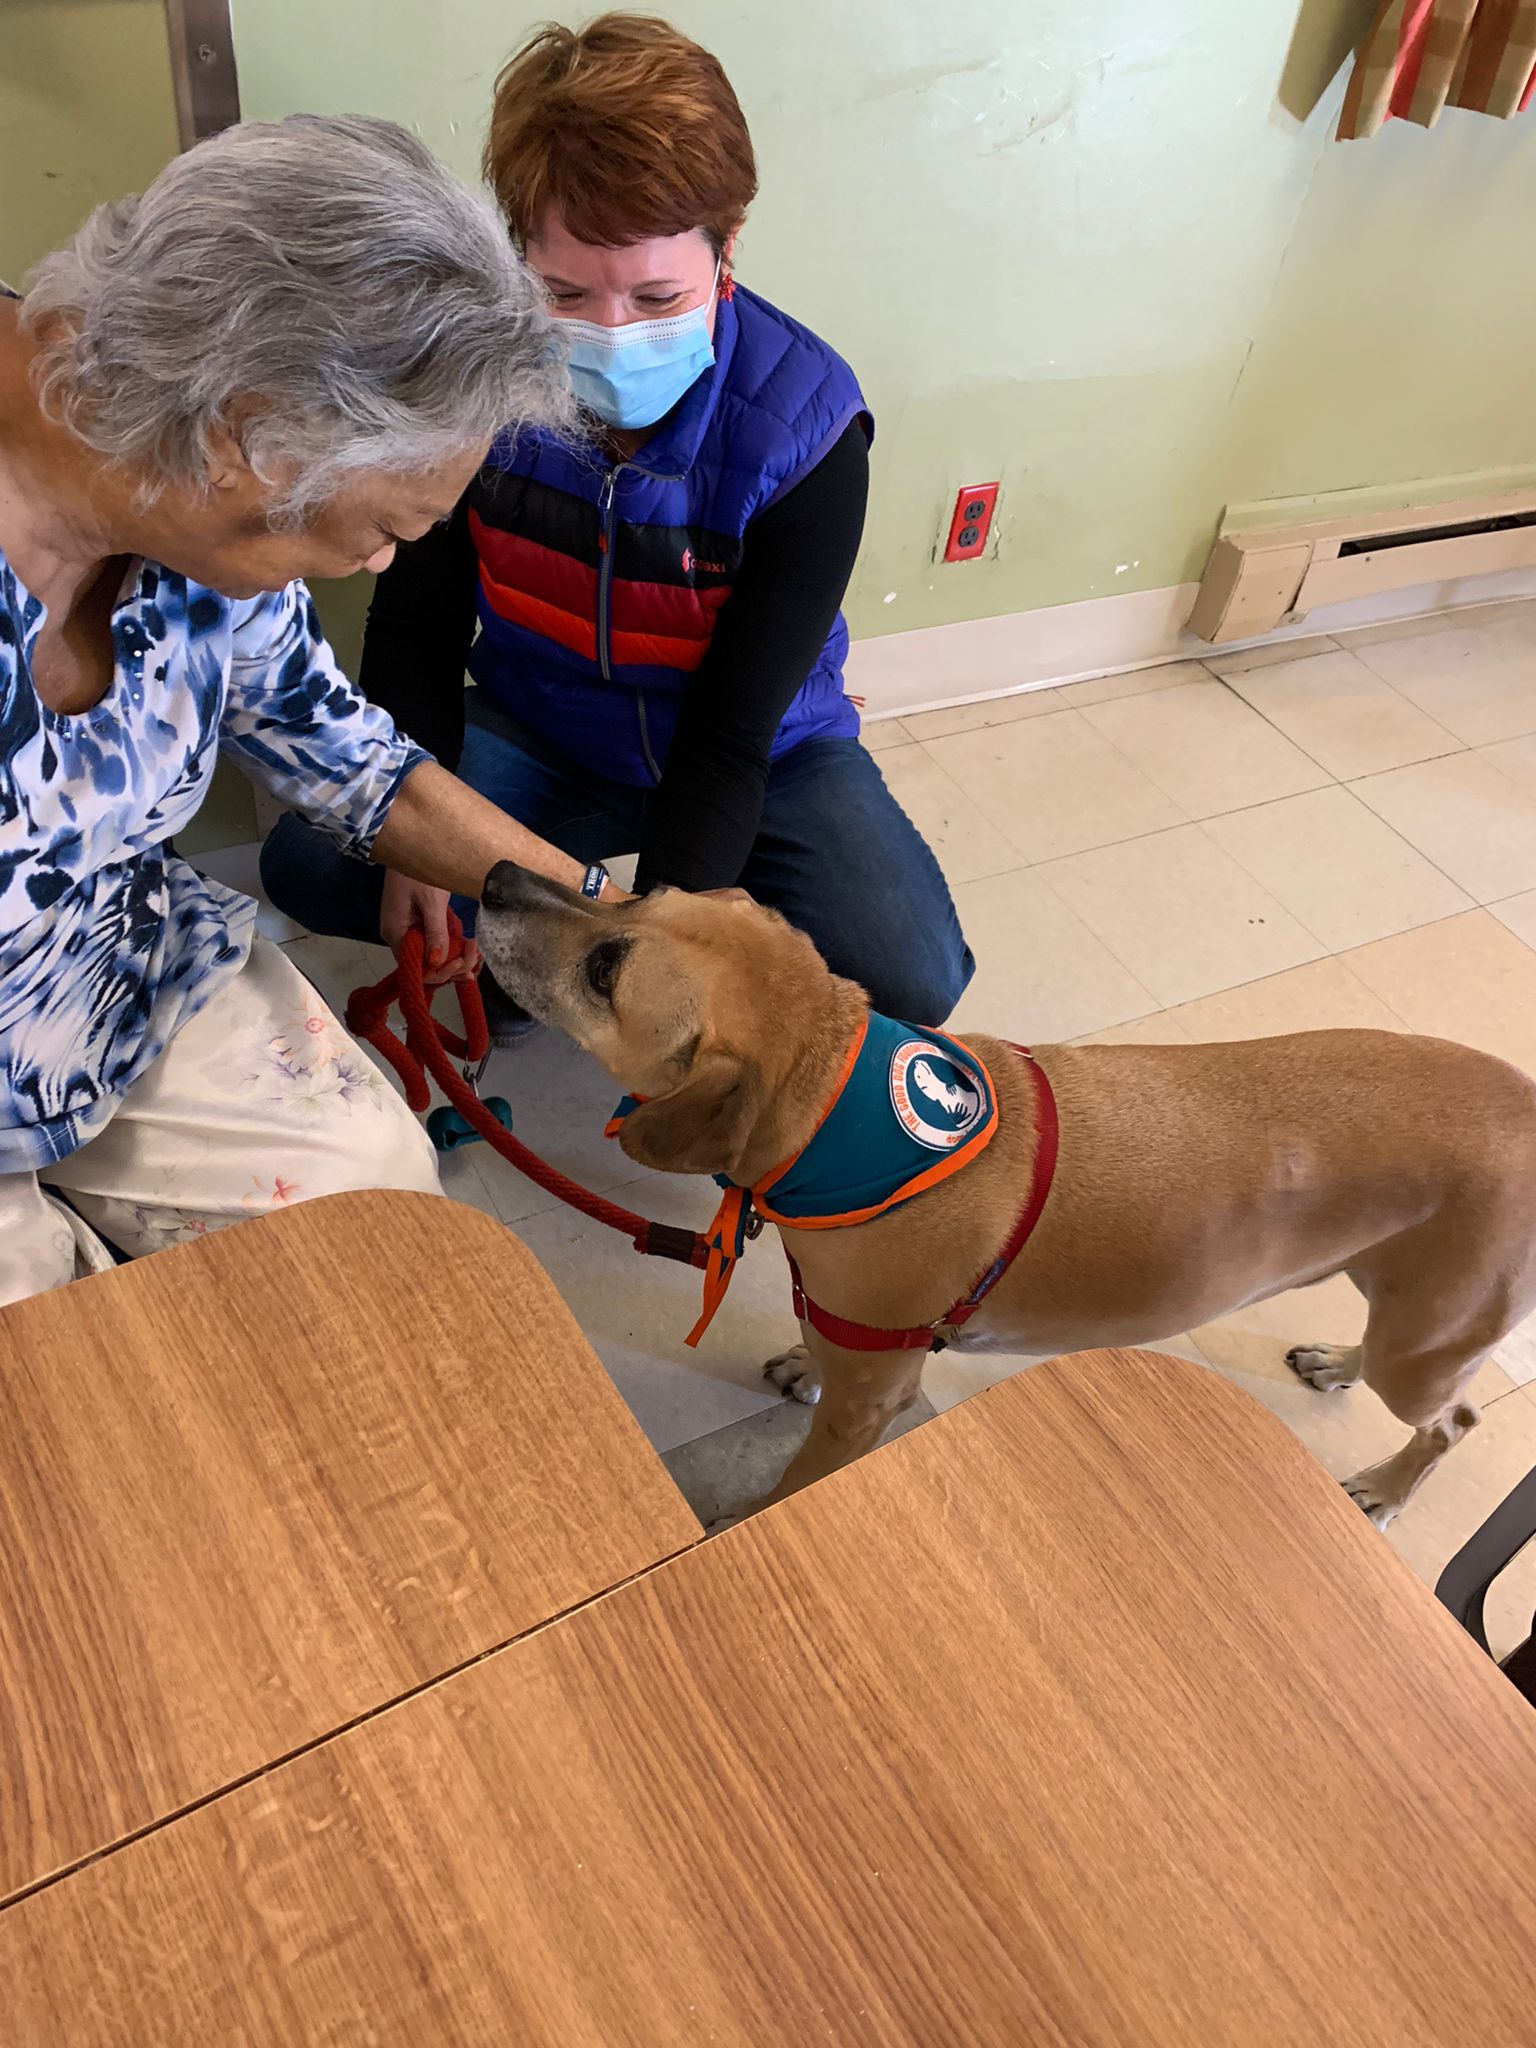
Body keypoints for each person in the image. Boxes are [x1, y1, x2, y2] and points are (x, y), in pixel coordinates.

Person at [0, 113, 622, 1307]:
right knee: (73, 1406)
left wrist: (611, 921)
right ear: (248, 440)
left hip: (117, 968)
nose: (381, 567)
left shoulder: (176, 484)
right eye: (388, 530)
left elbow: (350, 759)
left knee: (377, 1217)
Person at [261, 13, 973, 1031]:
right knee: (318, 864)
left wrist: (660, 950)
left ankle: (558, 942)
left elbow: (729, 738)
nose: (610, 333)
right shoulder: (475, 386)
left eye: (655, 295)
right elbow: (414, 625)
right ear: (513, 257)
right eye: (561, 293)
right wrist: (414, 841)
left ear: (727, 251)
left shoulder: (807, 428)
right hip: (543, 724)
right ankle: (528, 949)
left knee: (910, 973)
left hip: (761, 751)